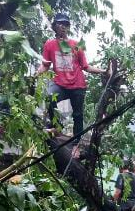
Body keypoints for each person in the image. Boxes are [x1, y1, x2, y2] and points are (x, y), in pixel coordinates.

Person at [36, 13, 107, 153]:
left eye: (66, 24)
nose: (63, 27)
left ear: (68, 27)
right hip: (59, 83)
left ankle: (76, 145)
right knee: (50, 96)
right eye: (60, 24)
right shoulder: (49, 45)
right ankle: (57, 126)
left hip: (77, 84)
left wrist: (104, 71)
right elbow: (45, 65)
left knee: (78, 115)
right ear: (55, 26)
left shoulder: (76, 45)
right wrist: (35, 75)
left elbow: (86, 66)